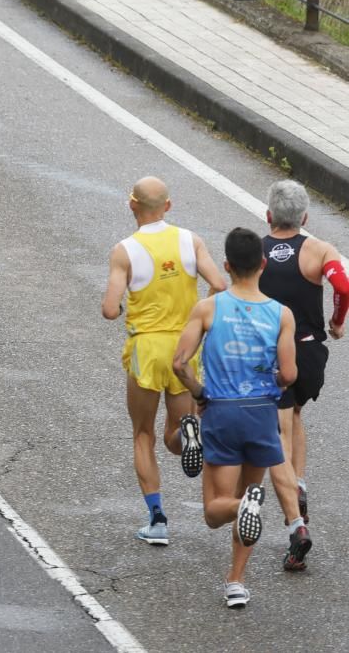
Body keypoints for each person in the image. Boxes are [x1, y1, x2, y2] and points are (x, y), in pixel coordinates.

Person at [173, 227, 297, 608]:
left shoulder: (209, 307)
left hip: (221, 412)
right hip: (261, 413)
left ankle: (244, 507)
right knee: (249, 495)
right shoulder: (281, 314)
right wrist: (272, 377)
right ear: (263, 265)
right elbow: (289, 376)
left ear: (226, 266)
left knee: (216, 509)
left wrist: (198, 393)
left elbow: (179, 363)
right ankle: (236, 582)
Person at [102, 176, 226, 545]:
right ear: (168, 206)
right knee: (175, 430)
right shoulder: (191, 241)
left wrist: (122, 304)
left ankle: (157, 520)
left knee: (143, 434)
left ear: (132, 205)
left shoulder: (124, 250)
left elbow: (110, 309)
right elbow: (219, 285)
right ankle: (190, 434)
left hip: (147, 349)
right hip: (185, 349)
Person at [259, 179, 348, 570]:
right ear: (306, 217)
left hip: (270, 354)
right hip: (310, 353)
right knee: (294, 415)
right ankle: (301, 484)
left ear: (268, 216)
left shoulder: (254, 251)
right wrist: (337, 320)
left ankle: (294, 520)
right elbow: (343, 286)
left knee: (277, 428)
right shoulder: (319, 250)